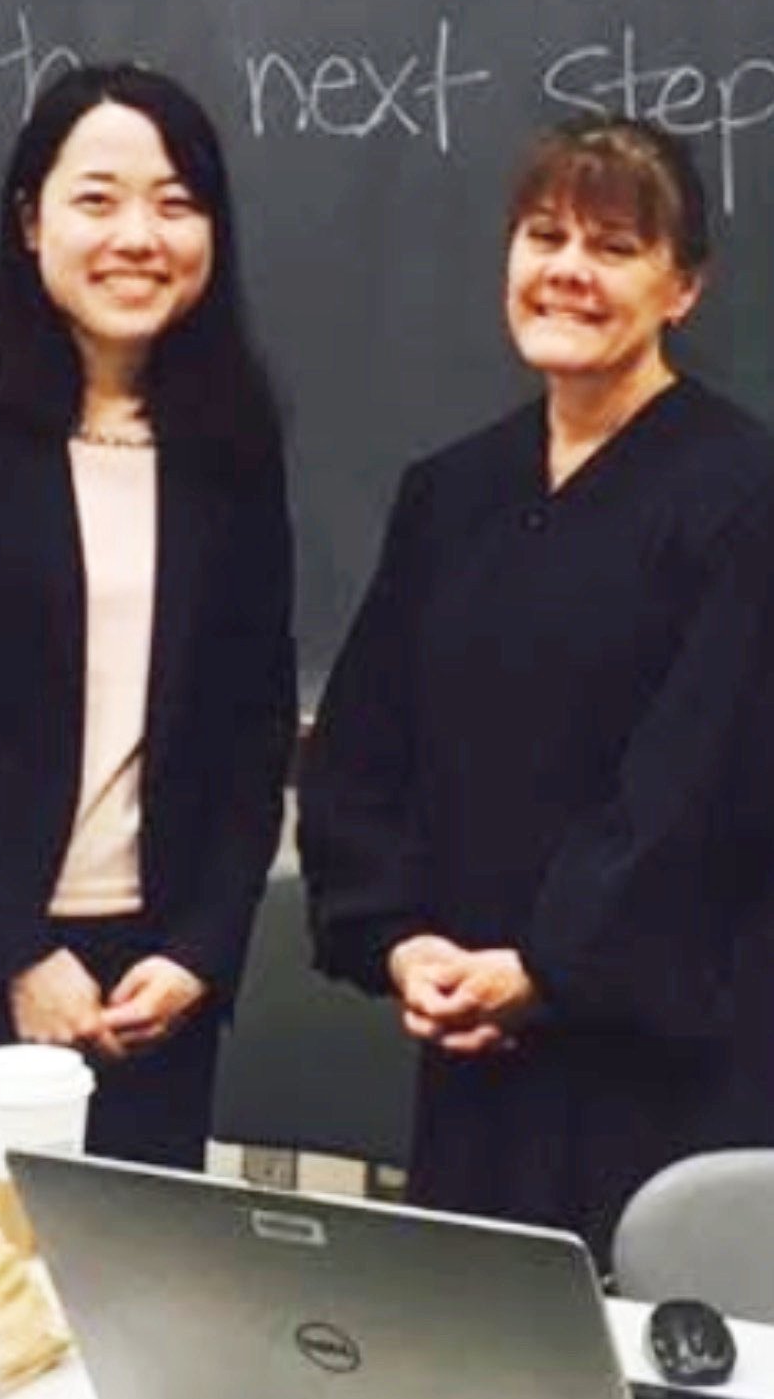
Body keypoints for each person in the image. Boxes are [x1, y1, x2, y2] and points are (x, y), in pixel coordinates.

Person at [299, 115, 774, 1265]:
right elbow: (362, 748)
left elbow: (692, 782)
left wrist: (549, 970)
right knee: (473, 1375)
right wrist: (402, 940)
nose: (567, 269)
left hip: (665, 1052)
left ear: (683, 289)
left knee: (653, 1393)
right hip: (470, 1041)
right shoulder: (450, 494)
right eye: (543, 234)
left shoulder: (743, 495)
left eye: (613, 246)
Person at [0, 62, 296, 1181]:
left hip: (147, 994)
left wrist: (200, 952)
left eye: (176, 203)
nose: (138, 234)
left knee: (119, 1337)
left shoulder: (232, 448)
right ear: (32, 220)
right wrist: (20, 952)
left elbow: (254, 727)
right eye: (98, 198)